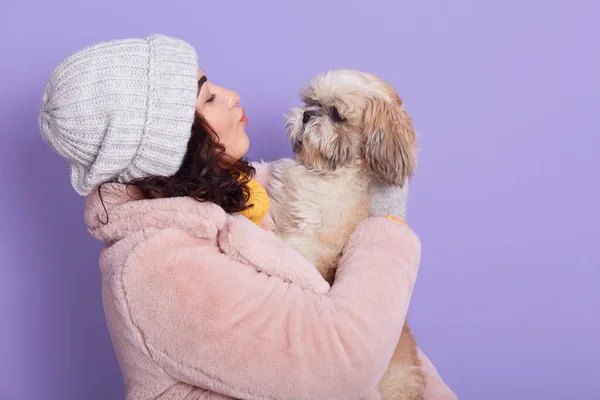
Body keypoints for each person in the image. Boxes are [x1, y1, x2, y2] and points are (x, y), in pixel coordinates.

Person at [39, 34, 456, 400]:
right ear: (168, 140)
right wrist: (387, 221)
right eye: (208, 97)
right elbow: (344, 361)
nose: (232, 94)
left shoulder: (247, 199)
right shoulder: (157, 269)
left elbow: (390, 339)